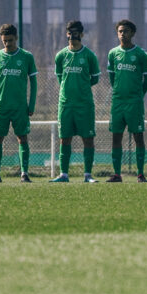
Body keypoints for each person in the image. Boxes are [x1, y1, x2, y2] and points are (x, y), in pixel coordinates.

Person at [0, 24, 38, 183]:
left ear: (16, 38)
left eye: (10, 40)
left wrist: (32, 105)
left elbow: (34, 82)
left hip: (19, 107)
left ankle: (24, 173)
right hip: (0, 106)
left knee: (22, 138)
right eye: (4, 41)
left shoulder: (26, 57)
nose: (7, 43)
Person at [51, 20, 100, 183]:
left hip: (85, 104)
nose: (72, 35)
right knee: (64, 139)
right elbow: (60, 77)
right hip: (65, 104)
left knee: (88, 139)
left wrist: (81, 88)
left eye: (76, 32)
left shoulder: (89, 56)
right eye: (70, 32)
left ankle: (88, 175)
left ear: (82, 34)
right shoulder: (61, 55)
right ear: (66, 34)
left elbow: (95, 79)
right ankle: (64, 174)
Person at [106, 20, 147, 182]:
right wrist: (119, 91)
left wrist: (139, 94)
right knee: (116, 138)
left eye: (125, 31)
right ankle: (117, 174)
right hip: (118, 102)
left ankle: (140, 173)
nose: (122, 34)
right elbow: (112, 77)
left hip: (134, 103)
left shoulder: (140, 54)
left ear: (132, 33)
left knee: (138, 137)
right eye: (120, 31)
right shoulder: (113, 53)